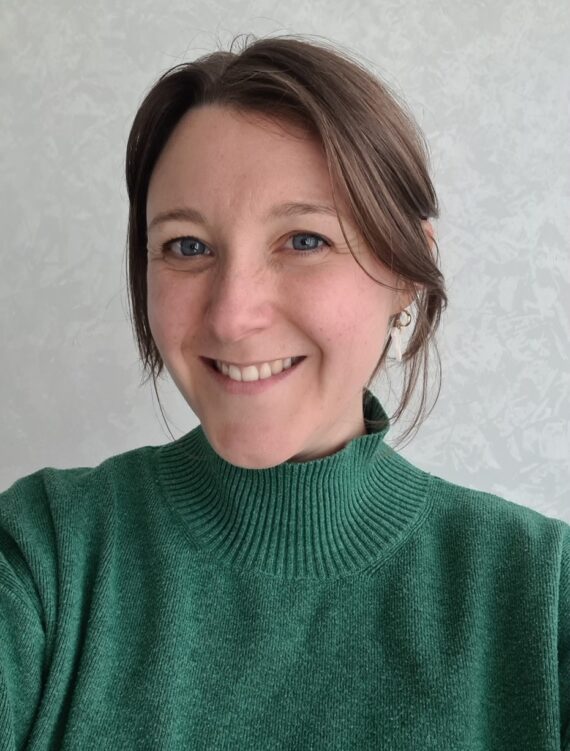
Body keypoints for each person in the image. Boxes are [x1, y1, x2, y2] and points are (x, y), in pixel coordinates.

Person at [1, 33, 568, 750]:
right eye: (186, 246)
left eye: (303, 240)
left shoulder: (542, 600)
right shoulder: (42, 559)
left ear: (408, 270)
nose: (233, 316)